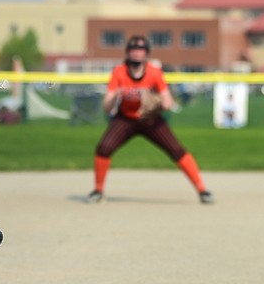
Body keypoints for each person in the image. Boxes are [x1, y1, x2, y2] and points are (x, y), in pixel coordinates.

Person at [87, 35, 213, 204]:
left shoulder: (154, 72)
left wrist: (156, 102)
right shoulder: (119, 72)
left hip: (151, 120)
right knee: (104, 147)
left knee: (176, 150)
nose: (137, 53)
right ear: (128, 52)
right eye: (134, 49)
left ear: (146, 53)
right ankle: (98, 190)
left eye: (141, 50)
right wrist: (115, 96)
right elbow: (107, 106)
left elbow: (168, 102)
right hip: (126, 118)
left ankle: (202, 190)